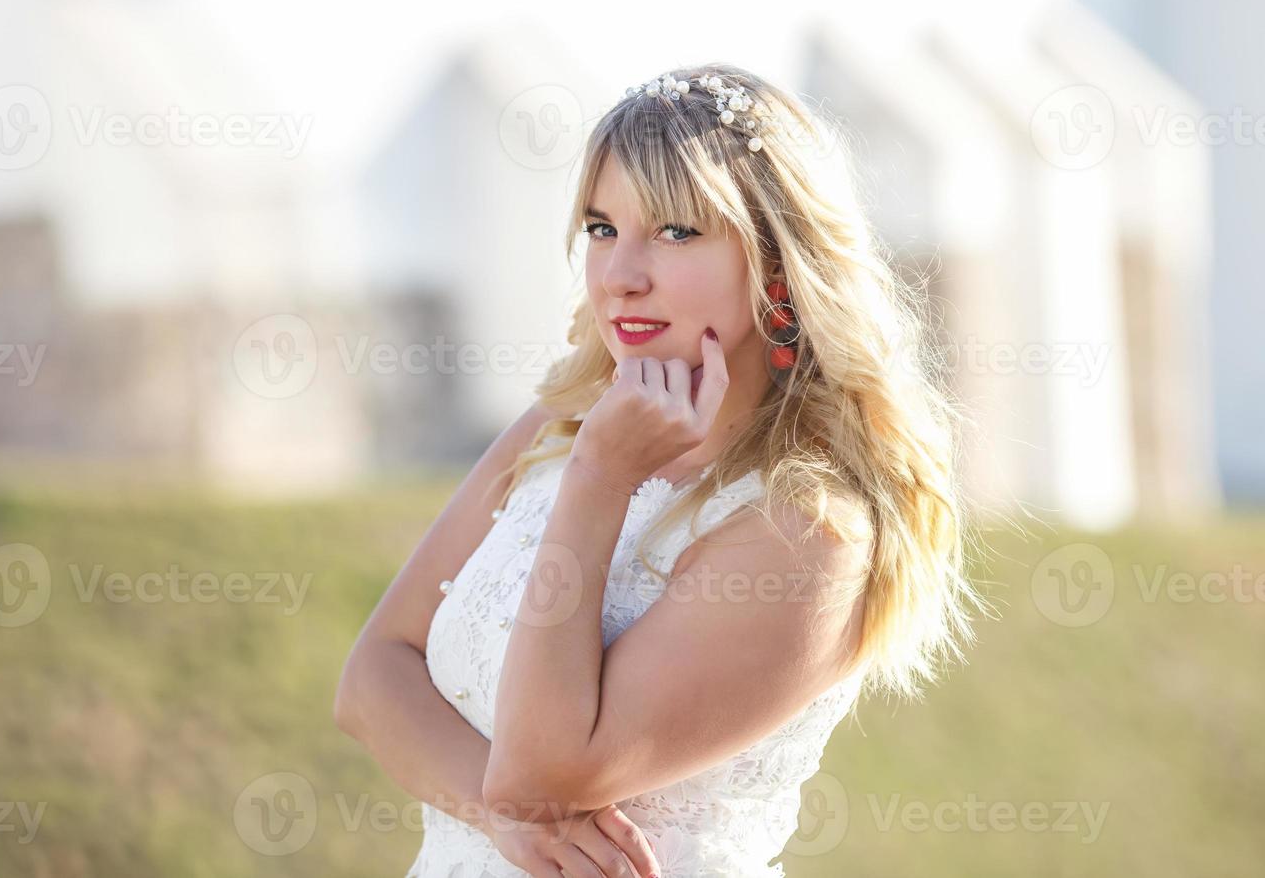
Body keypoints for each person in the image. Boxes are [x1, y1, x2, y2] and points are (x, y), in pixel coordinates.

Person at [334, 63, 993, 877]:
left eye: (677, 232)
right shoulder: (555, 429)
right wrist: (501, 819)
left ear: (777, 264)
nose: (620, 274)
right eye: (602, 228)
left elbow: (542, 776)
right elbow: (371, 679)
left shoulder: (808, 531)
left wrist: (601, 482)